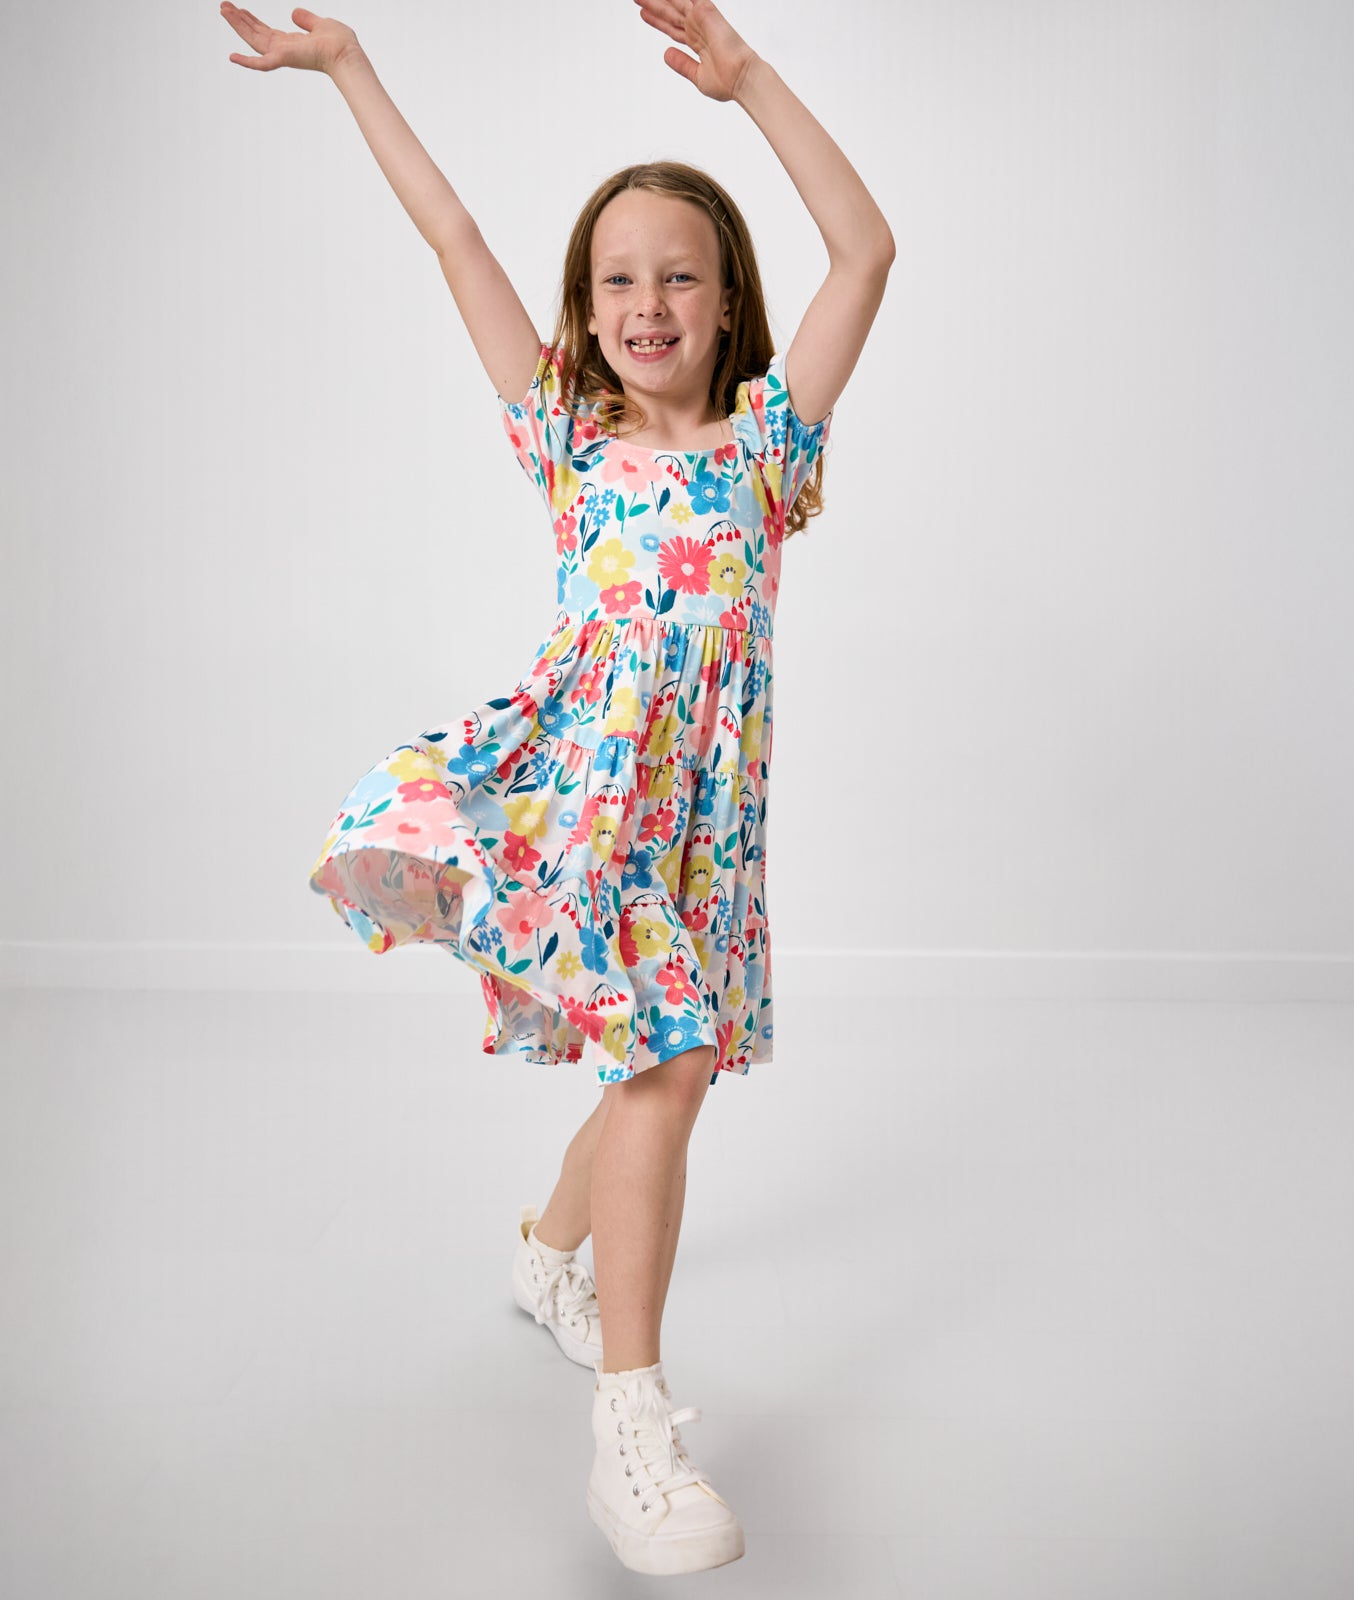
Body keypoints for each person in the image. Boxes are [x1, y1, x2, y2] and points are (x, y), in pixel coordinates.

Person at [221, 0, 894, 1577]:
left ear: (729, 305)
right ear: (583, 317)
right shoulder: (566, 440)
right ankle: (630, 1423)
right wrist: (349, 72)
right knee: (661, 1066)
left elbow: (864, 251)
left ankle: (548, 1257)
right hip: (577, 805)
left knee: (670, 1066)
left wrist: (753, 86)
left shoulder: (769, 451)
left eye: (680, 274)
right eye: (615, 279)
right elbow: (448, 226)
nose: (645, 300)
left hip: (705, 830)